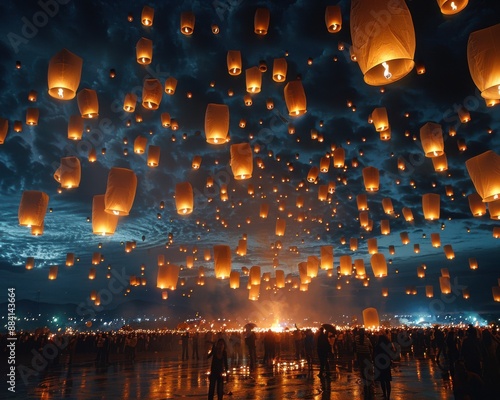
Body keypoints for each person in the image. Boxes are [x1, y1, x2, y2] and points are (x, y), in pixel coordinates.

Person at [354, 328, 374, 399]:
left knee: (362, 371)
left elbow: (355, 348)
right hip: (367, 357)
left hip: (360, 357)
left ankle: (365, 383)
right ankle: (369, 384)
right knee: (368, 371)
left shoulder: (356, 339)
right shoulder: (367, 339)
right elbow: (371, 347)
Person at [374, 334, 394, 399]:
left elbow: (375, 354)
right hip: (387, 363)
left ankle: (384, 394)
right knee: (387, 380)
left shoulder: (378, 346)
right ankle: (388, 395)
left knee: (382, 380)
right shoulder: (388, 346)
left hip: (380, 364)